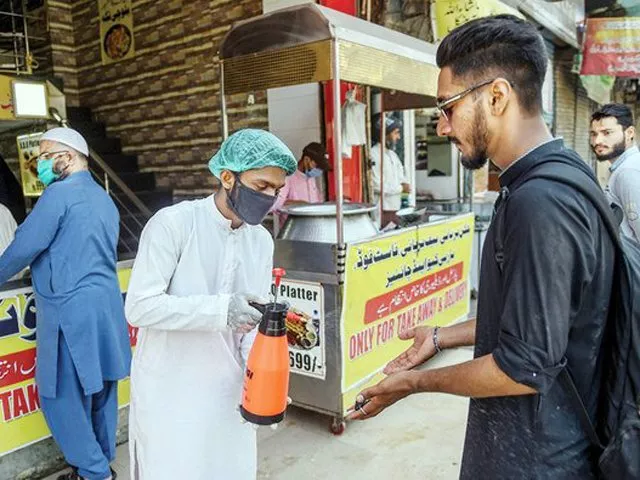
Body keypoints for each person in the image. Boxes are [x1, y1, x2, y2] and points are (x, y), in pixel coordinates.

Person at [348, 15, 615, 479]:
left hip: (539, 461)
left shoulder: (542, 202)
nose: (443, 127)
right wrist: (441, 336)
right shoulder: (553, 176)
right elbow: (532, 320)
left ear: (496, 96)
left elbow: (523, 367)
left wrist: (413, 383)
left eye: (447, 107)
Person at [124, 129, 297, 480]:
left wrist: (263, 380)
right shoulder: (174, 224)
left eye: (277, 190)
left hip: (227, 390)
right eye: (262, 185)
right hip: (171, 390)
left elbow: (253, 322)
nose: (269, 197)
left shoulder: (261, 241)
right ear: (228, 177)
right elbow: (140, 307)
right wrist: (221, 310)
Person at [0, 127, 131, 480]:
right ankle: (101, 463)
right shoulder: (102, 197)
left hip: (68, 313)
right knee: (101, 389)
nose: (39, 164)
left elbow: (22, 248)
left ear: (68, 157)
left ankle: (94, 473)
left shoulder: (58, 195)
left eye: (45, 156)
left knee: (60, 398)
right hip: (105, 308)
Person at [590, 103, 640, 242]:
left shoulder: (628, 172)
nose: (598, 141)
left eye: (607, 133)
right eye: (594, 134)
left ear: (629, 133)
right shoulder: (627, 166)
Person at [271, 142, 331, 226]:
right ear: (306, 159)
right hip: (294, 228)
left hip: (313, 226)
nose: (319, 170)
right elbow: (276, 204)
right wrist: (301, 204)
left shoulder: (311, 178)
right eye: (317, 166)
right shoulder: (288, 176)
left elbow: (317, 201)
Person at [370, 116, 410, 226]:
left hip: (396, 209)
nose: (398, 137)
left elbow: (401, 178)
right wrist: (401, 188)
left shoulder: (393, 155)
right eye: (396, 133)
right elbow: (376, 185)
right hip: (381, 211)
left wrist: (405, 185)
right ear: (385, 135)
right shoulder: (373, 154)